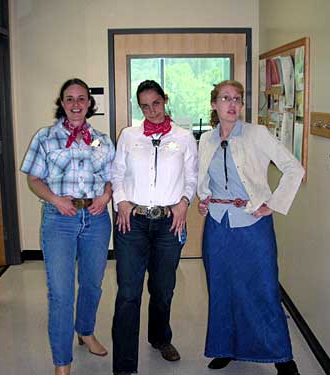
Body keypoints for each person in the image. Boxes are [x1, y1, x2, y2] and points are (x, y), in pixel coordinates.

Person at [197, 80, 304, 375]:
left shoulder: (257, 134)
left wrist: (273, 203)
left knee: (264, 288)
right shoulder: (206, 140)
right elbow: (202, 175)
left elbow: (294, 168)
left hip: (253, 223)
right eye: (225, 98)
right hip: (218, 225)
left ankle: (282, 356)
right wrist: (203, 197)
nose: (232, 104)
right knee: (221, 289)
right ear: (214, 104)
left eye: (238, 99)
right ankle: (225, 348)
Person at [21, 78, 115, 375]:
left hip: (97, 219)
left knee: (92, 284)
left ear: (89, 103)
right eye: (69, 99)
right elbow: (33, 178)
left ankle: (85, 331)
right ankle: (62, 361)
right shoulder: (45, 138)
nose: (76, 104)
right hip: (59, 219)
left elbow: (113, 176)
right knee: (60, 293)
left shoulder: (102, 139)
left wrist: (107, 194)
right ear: (61, 103)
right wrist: (55, 199)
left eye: (81, 99)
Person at [111, 80, 198, 375]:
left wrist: (185, 202)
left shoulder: (184, 137)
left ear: (165, 100)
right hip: (131, 221)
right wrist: (121, 201)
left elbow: (191, 177)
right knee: (128, 292)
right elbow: (117, 172)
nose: (151, 111)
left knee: (163, 289)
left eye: (156, 104)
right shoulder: (129, 135)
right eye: (145, 106)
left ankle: (160, 338)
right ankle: (124, 365)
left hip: (168, 224)